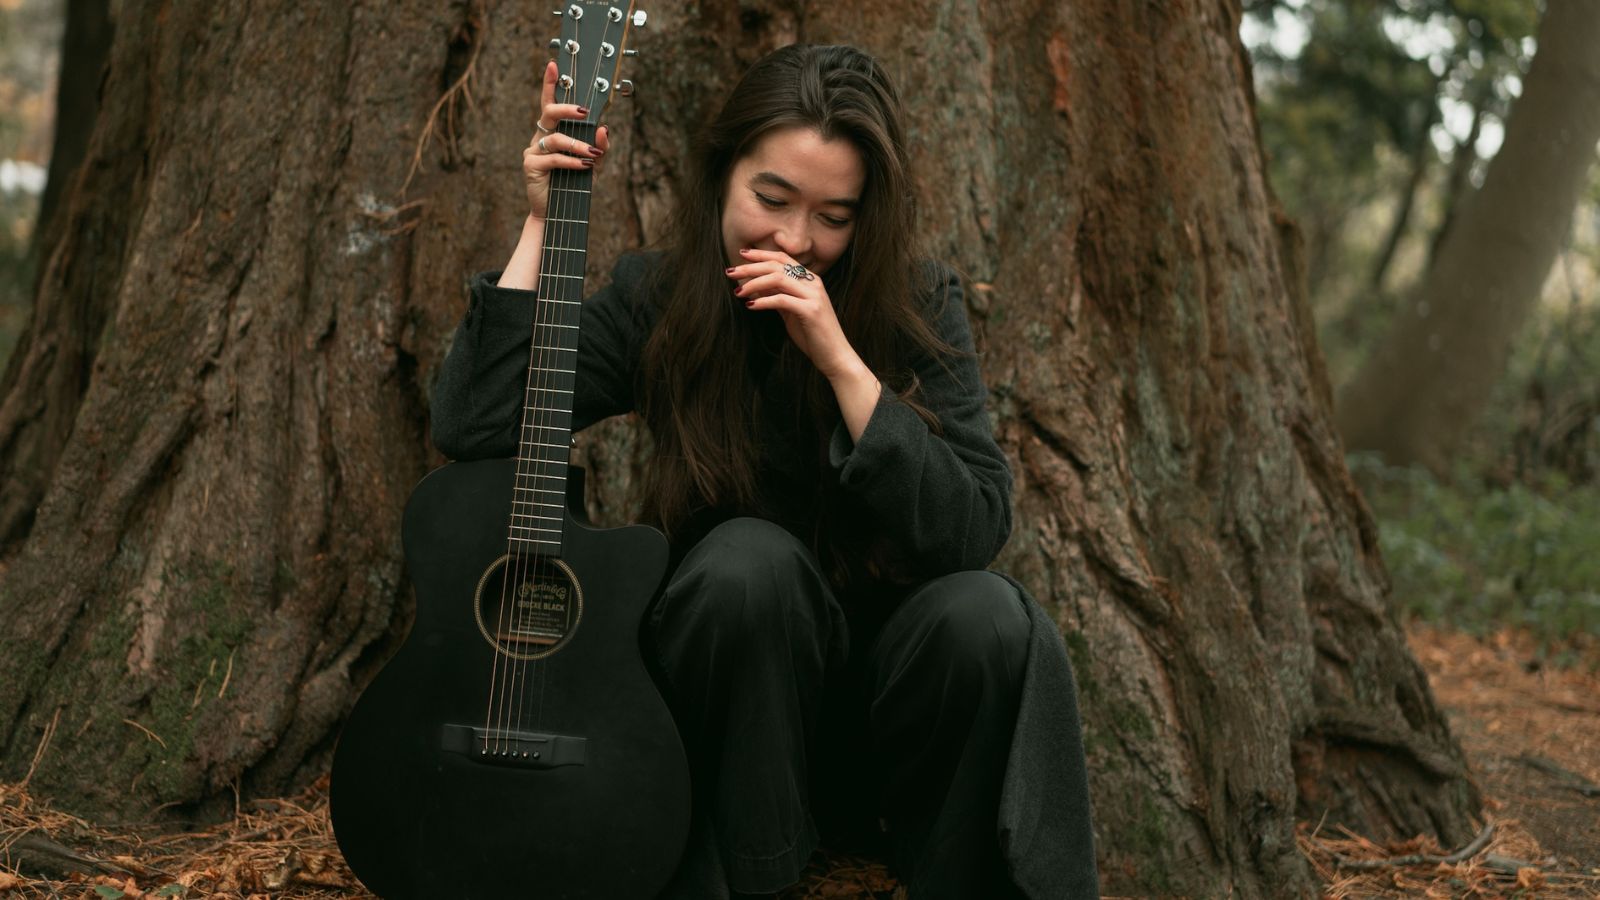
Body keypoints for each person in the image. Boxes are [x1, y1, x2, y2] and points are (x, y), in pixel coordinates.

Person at [431, 44, 1097, 900]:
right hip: (723, 728)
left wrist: (844, 366)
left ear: (868, 219)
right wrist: (540, 222)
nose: (794, 241)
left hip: (882, 732)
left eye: (833, 216)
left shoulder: (917, 305)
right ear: (722, 178)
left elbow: (972, 529)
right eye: (770, 199)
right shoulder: (660, 297)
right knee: (752, 562)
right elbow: (476, 424)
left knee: (988, 615)